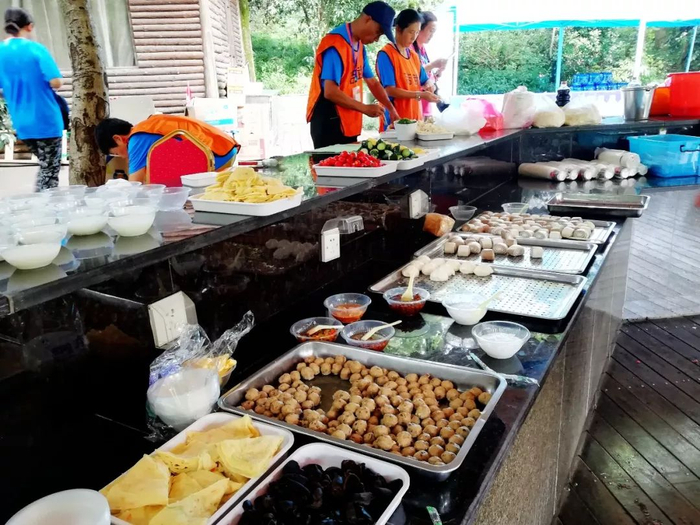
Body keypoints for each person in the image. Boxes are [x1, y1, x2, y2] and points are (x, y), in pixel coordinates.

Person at [306, 1, 400, 149]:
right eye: (378, 31)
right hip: (329, 122)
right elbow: (330, 91)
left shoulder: (360, 46)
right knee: (331, 163)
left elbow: (372, 82)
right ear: (368, 19)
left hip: (348, 122)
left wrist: (391, 110)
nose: (376, 39)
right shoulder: (335, 44)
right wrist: (365, 108)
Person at [0, 8, 64, 191]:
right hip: (45, 118)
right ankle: (44, 205)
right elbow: (56, 82)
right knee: (49, 172)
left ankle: (42, 201)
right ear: (29, 26)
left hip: (22, 122)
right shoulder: (36, 49)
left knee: (45, 166)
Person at [95, 115, 240, 183]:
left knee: (157, 184)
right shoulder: (146, 127)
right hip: (225, 148)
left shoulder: (136, 139)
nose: (123, 157)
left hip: (217, 157)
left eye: (116, 153)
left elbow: (135, 183)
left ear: (118, 139)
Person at [376, 9, 440, 130]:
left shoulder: (413, 56)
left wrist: (429, 84)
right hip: (395, 122)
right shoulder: (386, 54)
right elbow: (389, 90)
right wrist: (420, 94)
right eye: (411, 32)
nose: (414, 37)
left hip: (415, 121)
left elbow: (425, 79)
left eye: (417, 32)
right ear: (399, 29)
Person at [413, 11, 448, 116]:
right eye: (431, 31)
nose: (432, 35)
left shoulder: (422, 49)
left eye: (434, 32)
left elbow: (426, 75)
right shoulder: (409, 49)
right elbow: (411, 73)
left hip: (425, 107)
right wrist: (432, 65)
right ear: (419, 28)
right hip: (415, 106)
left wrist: (437, 74)